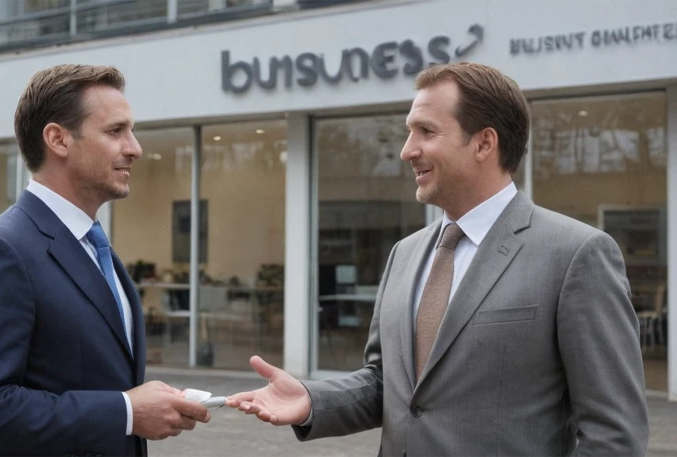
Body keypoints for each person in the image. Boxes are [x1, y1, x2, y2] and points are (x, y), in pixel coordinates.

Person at [227, 62, 649, 456]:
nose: (407, 151)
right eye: (409, 133)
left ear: (484, 142)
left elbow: (614, 433)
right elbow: (388, 385)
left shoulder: (576, 254)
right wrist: (311, 399)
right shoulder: (405, 254)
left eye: (426, 132)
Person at [0, 64, 210, 457]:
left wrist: (147, 401)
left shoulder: (93, 246)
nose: (135, 148)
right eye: (116, 131)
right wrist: (126, 411)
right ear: (58, 139)